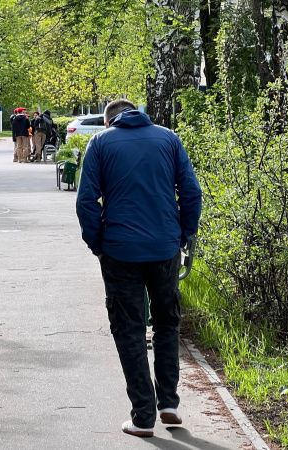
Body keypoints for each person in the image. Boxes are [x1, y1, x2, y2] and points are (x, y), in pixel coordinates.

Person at [75, 99, 202, 439]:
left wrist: (98, 243)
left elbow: (86, 200)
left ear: (108, 121)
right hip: (164, 248)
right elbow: (191, 192)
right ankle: (169, 402)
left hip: (120, 251)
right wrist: (184, 234)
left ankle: (143, 416)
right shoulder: (168, 138)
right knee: (166, 323)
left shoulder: (100, 143)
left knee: (129, 329)